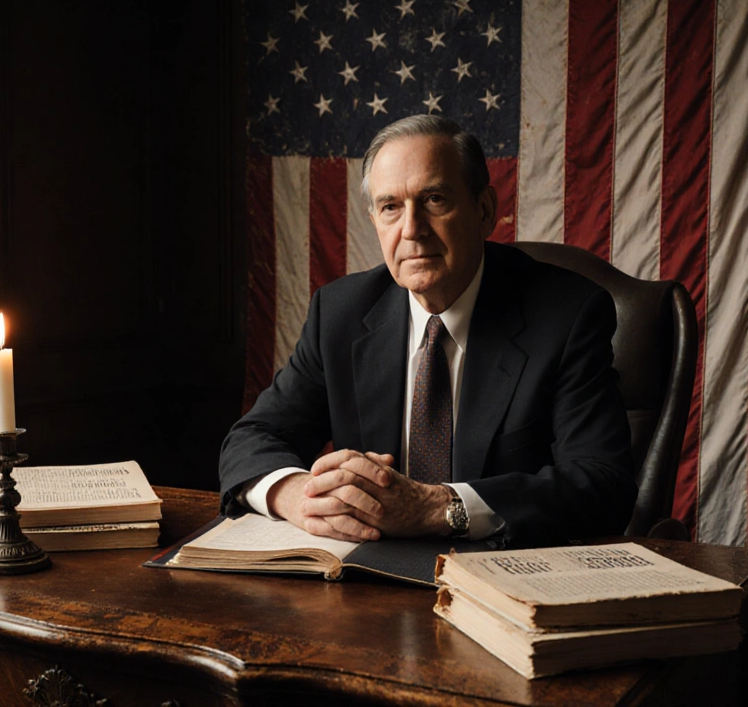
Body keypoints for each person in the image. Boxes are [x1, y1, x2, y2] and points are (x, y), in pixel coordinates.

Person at [219, 115, 636, 548]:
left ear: (485, 210)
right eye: (390, 207)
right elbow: (252, 439)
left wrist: (436, 508)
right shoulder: (340, 313)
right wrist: (298, 497)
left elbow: (603, 484)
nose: (412, 229)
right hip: (368, 579)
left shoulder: (566, 316)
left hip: (500, 578)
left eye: (434, 199)